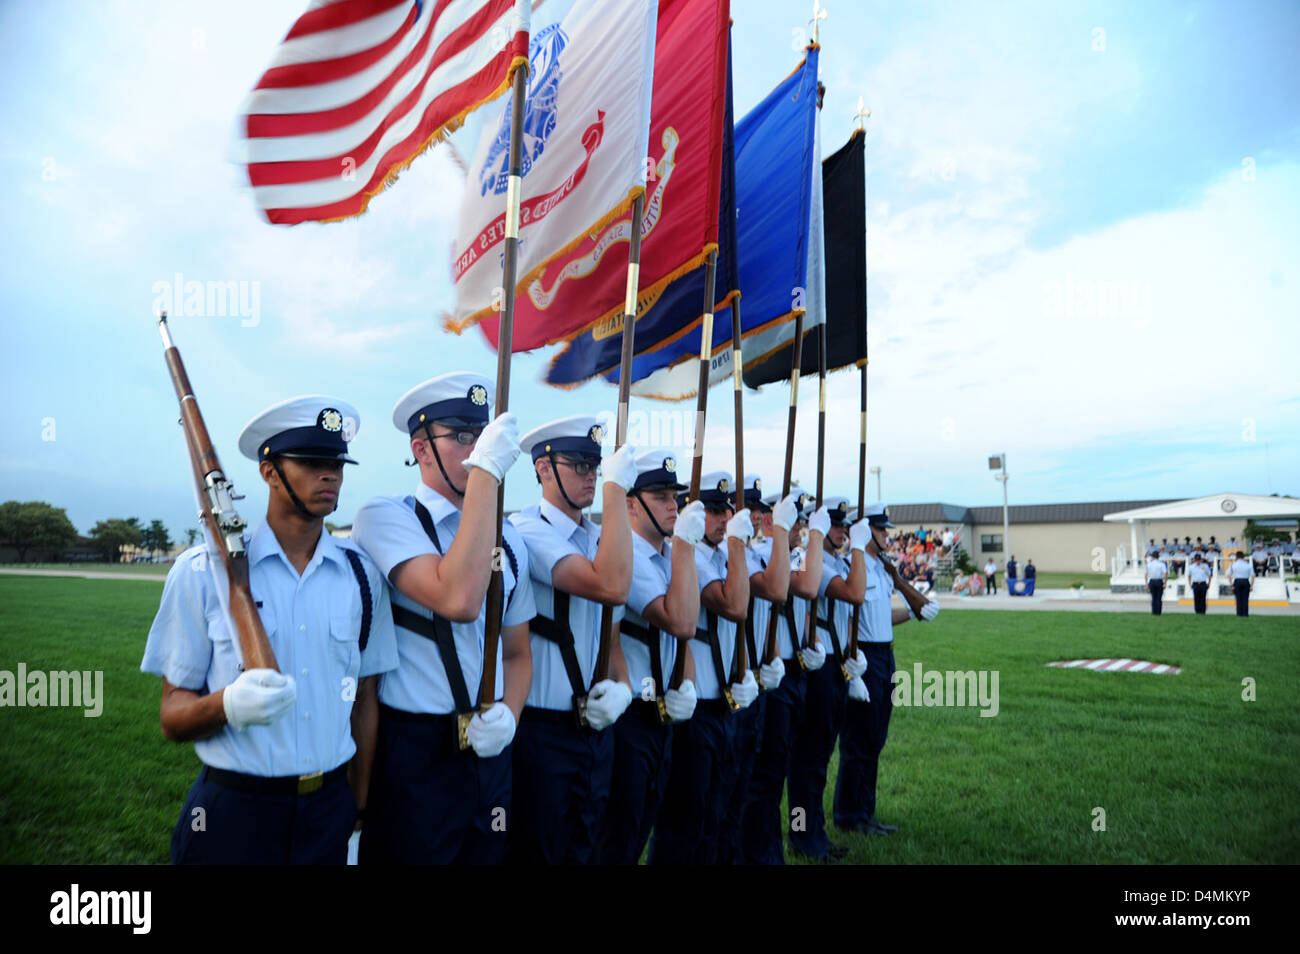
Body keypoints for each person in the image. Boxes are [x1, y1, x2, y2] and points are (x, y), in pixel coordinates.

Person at [143, 396, 398, 865]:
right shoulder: (203, 573)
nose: (331, 475)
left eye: (338, 463)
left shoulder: (363, 577)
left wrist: (357, 811)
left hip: (328, 812)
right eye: (312, 462)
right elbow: (172, 716)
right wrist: (227, 705)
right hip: (234, 812)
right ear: (269, 472)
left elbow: (365, 700)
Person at [350, 373, 535, 865]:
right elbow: (457, 598)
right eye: (461, 436)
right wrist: (487, 474)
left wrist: (510, 716)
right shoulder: (387, 516)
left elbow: (518, 654)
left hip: (489, 748)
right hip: (415, 753)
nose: (475, 449)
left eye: (482, 437)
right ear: (422, 448)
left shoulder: (510, 539)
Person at [504, 415, 638, 864]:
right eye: (579, 464)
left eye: (596, 467)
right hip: (543, 732)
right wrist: (617, 494)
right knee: (541, 852)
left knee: (590, 846)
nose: (591, 476)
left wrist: (622, 686)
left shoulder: (603, 539)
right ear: (543, 468)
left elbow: (612, 640)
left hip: (595, 729)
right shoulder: (527, 531)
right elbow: (609, 586)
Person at [596, 450, 702, 864]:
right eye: (660, 496)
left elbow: (687, 636)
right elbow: (679, 621)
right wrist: (686, 549)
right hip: (632, 716)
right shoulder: (635, 558)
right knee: (620, 836)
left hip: (664, 714)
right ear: (629, 504)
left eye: (674, 495)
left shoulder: (665, 556)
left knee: (648, 824)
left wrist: (688, 682)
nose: (673, 505)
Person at [651, 472, 755, 864]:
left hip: (725, 701)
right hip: (695, 705)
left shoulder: (724, 556)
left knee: (719, 809)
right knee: (685, 818)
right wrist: (737, 546)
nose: (723, 518)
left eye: (727, 510)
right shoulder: (692, 556)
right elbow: (733, 605)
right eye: (712, 510)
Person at [833, 502, 939, 838]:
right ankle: (849, 814)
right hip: (863, 657)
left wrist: (912, 611)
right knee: (858, 741)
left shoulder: (881, 568)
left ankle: (867, 812)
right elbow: (847, 620)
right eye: (880, 530)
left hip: (885, 655)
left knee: (876, 739)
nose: (886, 535)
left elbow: (880, 618)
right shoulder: (854, 565)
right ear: (865, 532)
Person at [742, 496, 832, 865]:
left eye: (798, 523)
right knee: (768, 775)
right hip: (767, 677)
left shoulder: (785, 554)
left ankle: (793, 839)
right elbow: (809, 587)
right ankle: (769, 850)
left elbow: (803, 605)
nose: (797, 529)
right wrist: (817, 538)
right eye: (791, 522)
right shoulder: (763, 554)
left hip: (792, 671)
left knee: (792, 768)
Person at [716, 475, 798, 864]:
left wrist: (775, 655)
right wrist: (781, 530)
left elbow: (769, 613)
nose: (759, 516)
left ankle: (765, 854)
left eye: (763, 510)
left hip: (759, 681)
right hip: (732, 688)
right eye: (751, 509)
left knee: (764, 777)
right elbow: (777, 590)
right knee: (733, 788)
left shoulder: (754, 555)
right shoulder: (733, 558)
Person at [787, 498, 868, 863]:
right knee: (808, 762)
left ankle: (814, 830)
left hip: (835, 664)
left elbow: (851, 610)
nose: (841, 531)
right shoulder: (813, 562)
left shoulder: (835, 561)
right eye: (834, 525)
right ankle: (801, 832)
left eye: (844, 526)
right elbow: (854, 593)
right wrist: (861, 550)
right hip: (818, 667)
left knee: (821, 758)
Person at [1230, 551, 1254, 617]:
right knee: (1245, 599)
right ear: (1243, 557)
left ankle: (1239, 613)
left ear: (1236, 557)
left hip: (1237, 581)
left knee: (1238, 599)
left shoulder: (1233, 565)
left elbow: (1228, 575)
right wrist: (1251, 585)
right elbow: (1252, 576)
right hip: (1245, 581)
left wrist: (1231, 584)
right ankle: (1245, 614)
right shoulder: (1248, 565)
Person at [1145, 551, 1168, 616]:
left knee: (1153, 597)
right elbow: (1165, 574)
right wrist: (1165, 583)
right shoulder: (1162, 564)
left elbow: (1146, 575)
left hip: (1152, 581)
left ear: (1152, 556)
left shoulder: (1149, 564)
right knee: (1159, 598)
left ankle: (1154, 612)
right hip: (1159, 581)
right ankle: (1158, 612)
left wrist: (1147, 584)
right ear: (1158, 557)